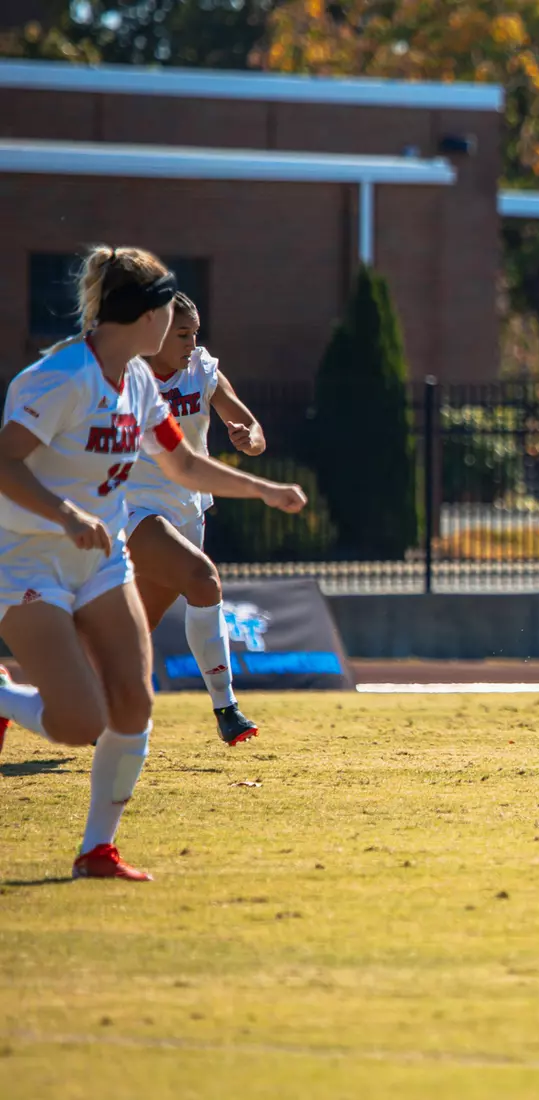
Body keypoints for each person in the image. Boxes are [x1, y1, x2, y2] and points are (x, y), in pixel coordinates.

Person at [0, 246, 306, 880]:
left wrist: (264, 490)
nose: (181, 326)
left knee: (133, 706)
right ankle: (5, 697)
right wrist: (65, 515)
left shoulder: (137, 382)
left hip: (102, 558)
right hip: (29, 560)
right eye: (170, 312)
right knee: (80, 720)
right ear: (144, 316)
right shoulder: (58, 377)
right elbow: (3, 462)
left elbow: (184, 464)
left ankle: (97, 851)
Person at [127, 293, 266, 744]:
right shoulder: (122, 375)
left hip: (188, 505)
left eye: (195, 333)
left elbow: (253, 430)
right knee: (203, 581)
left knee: (136, 623)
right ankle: (227, 709)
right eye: (182, 334)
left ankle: (76, 695)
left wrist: (248, 439)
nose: (192, 343)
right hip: (134, 506)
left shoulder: (203, 369)